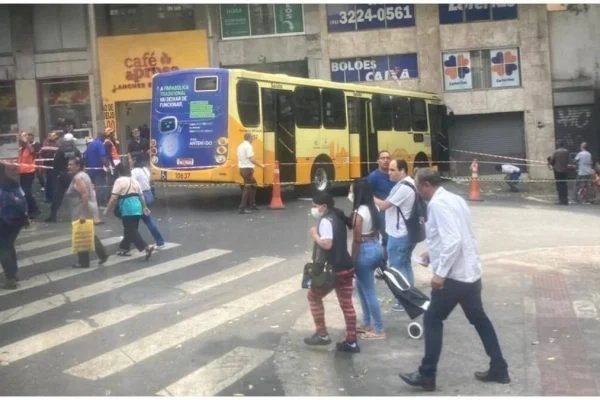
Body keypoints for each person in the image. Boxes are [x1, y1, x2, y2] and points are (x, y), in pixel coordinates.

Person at [399, 168, 509, 392]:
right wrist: (432, 252)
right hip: (470, 274)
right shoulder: (455, 199)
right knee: (479, 320)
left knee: (432, 319)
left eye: (418, 186)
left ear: (427, 185)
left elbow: (454, 240)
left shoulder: (438, 205)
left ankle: (427, 373)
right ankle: (499, 367)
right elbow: (456, 235)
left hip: (454, 277)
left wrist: (440, 274)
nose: (418, 192)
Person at [304, 191, 359, 353]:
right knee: (347, 304)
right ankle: (351, 341)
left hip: (333, 270)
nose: (314, 209)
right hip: (346, 267)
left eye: (315, 206)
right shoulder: (338, 217)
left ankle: (322, 334)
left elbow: (327, 244)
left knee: (313, 296)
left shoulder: (326, 221)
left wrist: (314, 235)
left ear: (324, 206)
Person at [374, 159, 416, 311]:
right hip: (404, 233)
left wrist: (368, 196)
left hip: (399, 235)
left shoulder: (404, 187)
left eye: (393, 170)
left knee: (398, 268)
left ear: (403, 170)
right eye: (389, 170)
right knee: (405, 265)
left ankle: (404, 300)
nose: (389, 173)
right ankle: (410, 297)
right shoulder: (405, 184)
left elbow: (385, 205)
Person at [348, 179, 385, 340]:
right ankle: (367, 322)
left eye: (351, 191)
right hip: (376, 247)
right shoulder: (374, 208)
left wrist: (352, 260)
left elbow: (356, 240)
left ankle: (378, 329)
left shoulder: (358, 213)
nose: (349, 194)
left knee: (368, 290)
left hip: (364, 251)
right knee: (361, 287)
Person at [104, 162, 154, 260]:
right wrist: (144, 207)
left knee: (131, 230)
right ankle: (124, 248)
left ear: (118, 172)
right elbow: (141, 196)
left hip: (127, 207)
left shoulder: (119, 181)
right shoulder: (134, 181)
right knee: (130, 229)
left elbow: (114, 198)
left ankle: (145, 247)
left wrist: (107, 210)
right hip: (137, 207)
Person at [64, 158, 108, 268]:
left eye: (71, 164)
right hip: (87, 207)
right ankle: (102, 254)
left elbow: (84, 195)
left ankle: (84, 262)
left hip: (81, 209)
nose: (69, 167)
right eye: (68, 164)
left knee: (81, 234)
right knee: (88, 233)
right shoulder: (84, 175)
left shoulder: (78, 178)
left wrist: (82, 214)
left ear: (78, 166)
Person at [0, 162, 29, 289]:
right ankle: (13, 273)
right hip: (18, 220)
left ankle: (10, 279)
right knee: (9, 246)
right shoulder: (12, 182)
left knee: (4, 248)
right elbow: (24, 198)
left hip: (4, 220)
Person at [367, 150, 395, 263]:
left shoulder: (393, 174)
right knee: (385, 238)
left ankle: (386, 263)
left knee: (389, 239)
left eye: (388, 158)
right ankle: (382, 265)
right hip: (380, 213)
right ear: (378, 161)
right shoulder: (373, 177)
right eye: (383, 158)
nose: (386, 160)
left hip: (394, 213)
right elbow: (368, 195)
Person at [46, 133, 81, 222]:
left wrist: (57, 174)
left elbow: (55, 163)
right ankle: (80, 214)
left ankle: (53, 215)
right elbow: (80, 162)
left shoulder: (60, 150)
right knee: (78, 194)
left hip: (62, 175)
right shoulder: (76, 151)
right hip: (73, 175)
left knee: (57, 196)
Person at [131, 157, 165, 249]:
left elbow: (132, 183)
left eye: (131, 160)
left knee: (145, 219)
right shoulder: (145, 170)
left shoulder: (135, 171)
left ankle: (159, 240)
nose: (130, 161)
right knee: (136, 219)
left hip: (141, 196)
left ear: (135, 161)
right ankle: (132, 239)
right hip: (148, 194)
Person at [236, 132, 264, 214]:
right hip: (247, 169)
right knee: (247, 188)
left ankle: (252, 205)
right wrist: (261, 165)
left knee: (253, 185)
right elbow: (251, 159)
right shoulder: (248, 146)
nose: (253, 139)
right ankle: (242, 208)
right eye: (252, 137)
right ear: (249, 138)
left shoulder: (240, 146)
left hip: (242, 169)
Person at [17, 131, 40, 218]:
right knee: (23, 192)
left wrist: (26, 142)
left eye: (23, 137)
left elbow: (32, 151)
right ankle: (30, 209)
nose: (21, 139)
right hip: (22, 172)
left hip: (29, 172)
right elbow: (20, 161)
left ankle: (34, 209)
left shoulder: (30, 147)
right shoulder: (21, 149)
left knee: (26, 191)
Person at [86, 130, 109, 206]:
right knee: (101, 186)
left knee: (93, 187)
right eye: (104, 138)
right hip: (98, 170)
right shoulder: (99, 144)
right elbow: (102, 156)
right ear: (102, 137)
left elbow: (86, 157)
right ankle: (102, 203)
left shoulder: (91, 144)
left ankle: (94, 202)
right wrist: (107, 166)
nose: (104, 140)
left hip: (90, 170)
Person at [39, 131, 60, 203]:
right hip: (49, 165)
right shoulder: (50, 144)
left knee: (51, 182)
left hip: (53, 165)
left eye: (54, 136)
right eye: (52, 136)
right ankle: (50, 197)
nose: (54, 137)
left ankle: (51, 197)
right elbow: (42, 153)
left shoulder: (56, 144)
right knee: (50, 182)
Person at [547, 140, 570, 205]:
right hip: (565, 170)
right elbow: (569, 160)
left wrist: (549, 161)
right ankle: (565, 200)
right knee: (564, 185)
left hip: (557, 170)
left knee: (559, 185)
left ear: (558, 145)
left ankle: (561, 200)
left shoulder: (556, 152)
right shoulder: (567, 151)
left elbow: (551, 161)